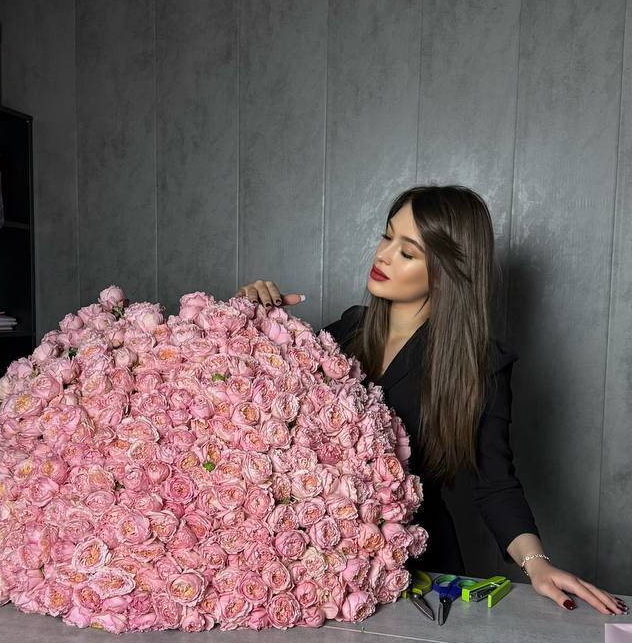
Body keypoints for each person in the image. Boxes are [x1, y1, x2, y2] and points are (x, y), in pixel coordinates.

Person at [236, 184, 627, 618]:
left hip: (420, 568)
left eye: (408, 252)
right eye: (387, 237)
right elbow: (261, 417)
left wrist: (537, 565)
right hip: (328, 568)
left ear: (445, 272)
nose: (384, 256)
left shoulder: (480, 366)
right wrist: (248, 319)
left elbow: (496, 485)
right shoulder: (344, 332)